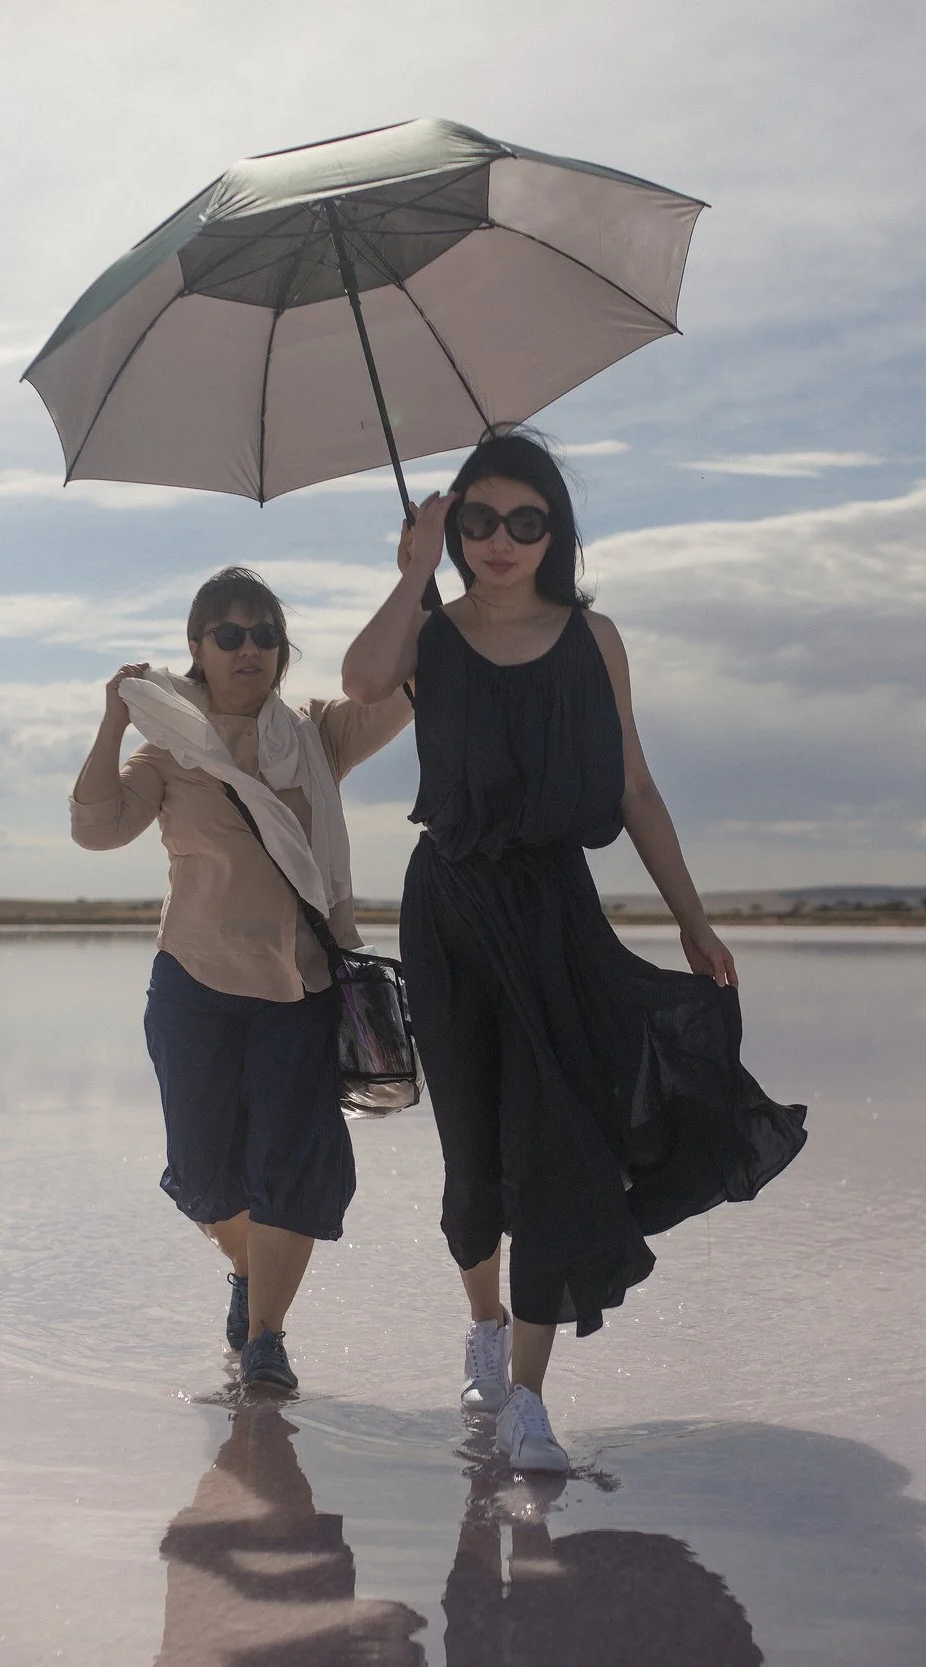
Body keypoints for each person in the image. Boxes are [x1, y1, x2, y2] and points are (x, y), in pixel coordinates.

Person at [342, 433, 807, 1472]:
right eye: (478, 521)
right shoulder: (431, 633)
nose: (500, 540)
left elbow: (633, 785)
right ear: (452, 528)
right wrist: (412, 567)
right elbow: (361, 679)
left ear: (556, 529)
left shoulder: (592, 636)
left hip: (553, 905)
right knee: (474, 1159)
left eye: (525, 520)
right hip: (451, 909)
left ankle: (527, 1400)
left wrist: (691, 915)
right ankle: (485, 1323)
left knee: (554, 1141)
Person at [72, 566, 412, 1393]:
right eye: (229, 634)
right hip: (193, 983)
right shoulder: (170, 748)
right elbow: (96, 826)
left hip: (299, 986)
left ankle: (267, 1338)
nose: (249, 648)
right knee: (203, 1174)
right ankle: (249, 1278)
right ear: (196, 649)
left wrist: (421, 573)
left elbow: (411, 684)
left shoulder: (318, 735)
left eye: (265, 634)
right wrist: (114, 721)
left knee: (291, 1167)